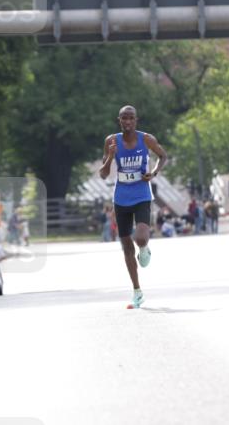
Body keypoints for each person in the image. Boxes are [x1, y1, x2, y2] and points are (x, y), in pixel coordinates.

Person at [99, 105, 167, 308]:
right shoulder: (111, 141)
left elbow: (163, 156)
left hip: (142, 194)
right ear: (119, 120)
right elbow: (103, 174)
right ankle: (137, 291)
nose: (127, 122)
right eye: (124, 119)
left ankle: (145, 249)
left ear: (136, 120)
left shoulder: (146, 139)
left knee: (140, 238)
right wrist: (111, 156)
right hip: (121, 198)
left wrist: (153, 173)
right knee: (126, 246)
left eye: (131, 118)